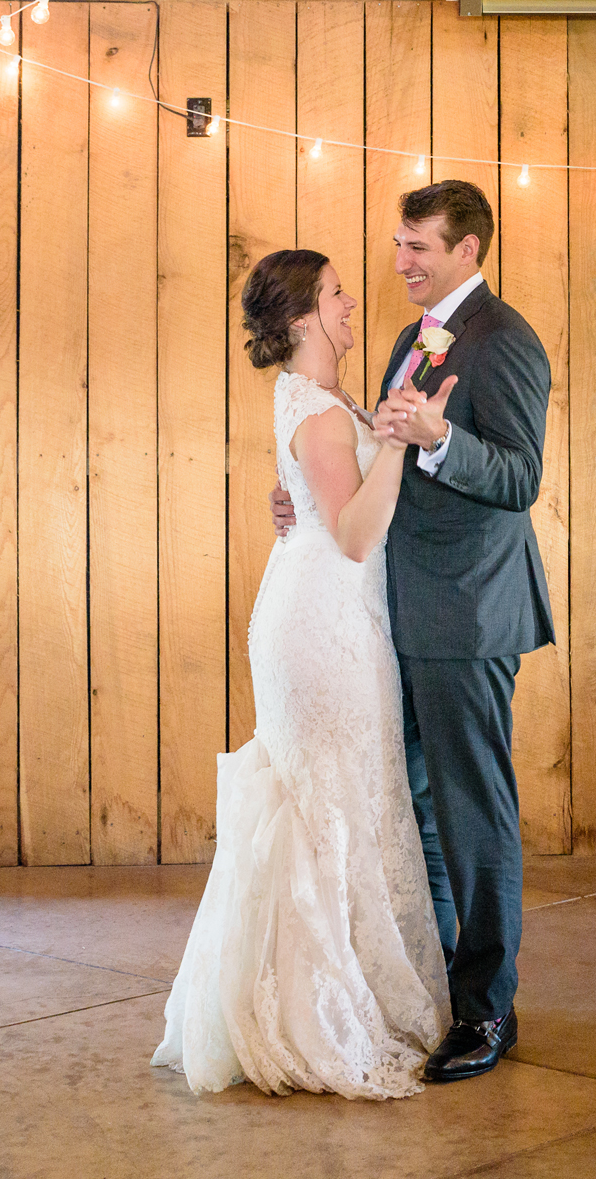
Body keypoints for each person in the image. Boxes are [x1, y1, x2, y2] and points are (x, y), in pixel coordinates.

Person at [272, 179, 553, 1082]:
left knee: (475, 815)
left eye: (418, 247)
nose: (400, 263)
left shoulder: (505, 341)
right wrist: (309, 497)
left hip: (468, 614)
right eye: (397, 245)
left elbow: (518, 476)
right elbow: (362, 452)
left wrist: (438, 436)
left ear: (468, 251)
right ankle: (433, 985)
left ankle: (487, 1009)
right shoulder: (410, 337)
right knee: (421, 809)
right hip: (396, 613)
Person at [152, 249, 450, 1100]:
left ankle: (323, 987)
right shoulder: (322, 412)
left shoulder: (322, 401)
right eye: (335, 293)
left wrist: (373, 433)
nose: (352, 303)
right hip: (322, 628)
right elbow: (355, 533)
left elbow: (319, 497)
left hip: (329, 612)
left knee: (344, 802)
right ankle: (314, 1012)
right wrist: (392, 440)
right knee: (331, 805)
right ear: (301, 319)